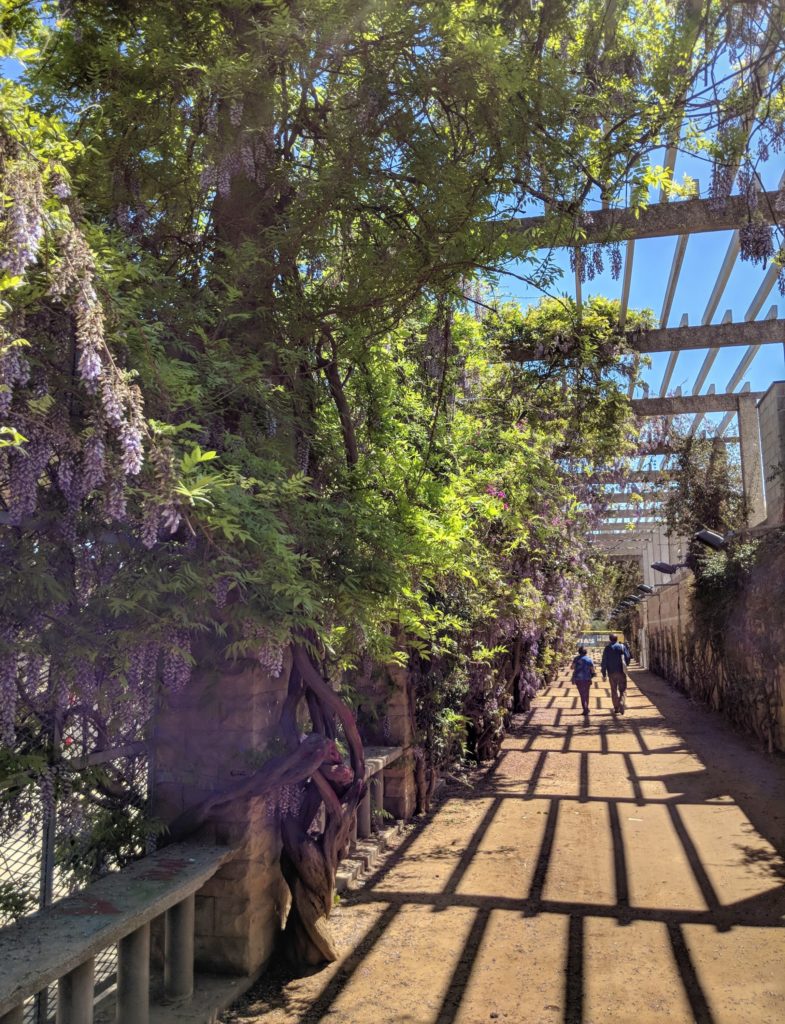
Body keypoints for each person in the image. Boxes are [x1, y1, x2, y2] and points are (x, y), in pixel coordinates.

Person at [601, 633, 631, 715]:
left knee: (613, 690)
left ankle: (616, 708)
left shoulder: (607, 648)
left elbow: (604, 662)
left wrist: (604, 673)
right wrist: (626, 665)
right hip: (621, 672)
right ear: (617, 639)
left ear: (610, 640)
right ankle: (621, 702)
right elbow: (627, 657)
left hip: (611, 673)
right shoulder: (622, 647)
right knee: (623, 689)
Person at [571, 645, 595, 717]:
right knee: (586, 694)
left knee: (582, 694)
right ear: (586, 652)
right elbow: (593, 670)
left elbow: (572, 667)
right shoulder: (589, 659)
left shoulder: (576, 659)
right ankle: (586, 707)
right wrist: (592, 675)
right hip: (587, 679)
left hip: (578, 679)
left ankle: (585, 708)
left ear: (579, 652)